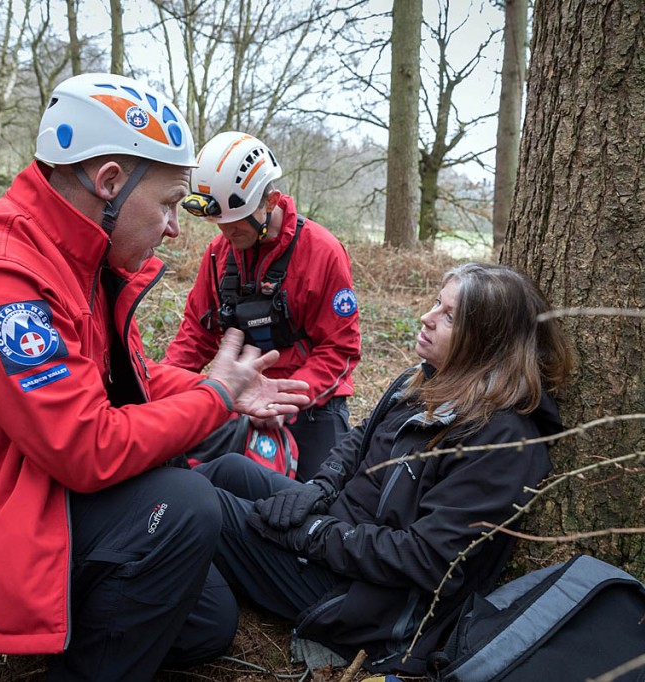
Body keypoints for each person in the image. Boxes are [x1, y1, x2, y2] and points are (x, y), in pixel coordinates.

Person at [0, 73, 310, 682]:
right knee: (186, 503)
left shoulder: (84, 262)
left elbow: (129, 379)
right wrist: (215, 395)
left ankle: (28, 631)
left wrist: (223, 391)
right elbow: (84, 447)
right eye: (167, 204)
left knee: (208, 624)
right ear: (109, 181)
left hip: (32, 493)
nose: (174, 228)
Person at [196, 263, 576, 675]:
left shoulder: (501, 440)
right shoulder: (426, 380)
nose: (426, 318)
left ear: (485, 341)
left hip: (362, 599)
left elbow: (429, 561)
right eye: (436, 304)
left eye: (449, 317)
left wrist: (312, 534)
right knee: (228, 470)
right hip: (341, 536)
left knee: (199, 505)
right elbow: (361, 437)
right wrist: (318, 490)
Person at [163, 131, 361, 479]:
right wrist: (156, 384)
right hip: (242, 396)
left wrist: (288, 399)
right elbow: (196, 333)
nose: (225, 232)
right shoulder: (218, 254)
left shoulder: (323, 253)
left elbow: (339, 347)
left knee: (319, 503)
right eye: (218, 221)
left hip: (310, 402)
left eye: (234, 221)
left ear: (270, 201)